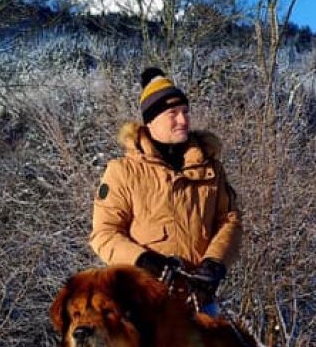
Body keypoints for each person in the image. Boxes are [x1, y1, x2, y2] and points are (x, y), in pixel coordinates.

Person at [90, 66, 242, 311]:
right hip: (142, 304)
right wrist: (143, 260)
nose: (183, 120)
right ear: (150, 121)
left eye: (185, 111)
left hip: (199, 303)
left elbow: (229, 221)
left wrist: (215, 262)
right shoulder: (123, 171)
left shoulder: (211, 169)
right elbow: (104, 234)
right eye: (172, 113)